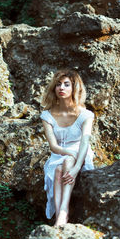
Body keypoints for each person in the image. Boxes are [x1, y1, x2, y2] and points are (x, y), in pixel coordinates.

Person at [40, 69, 94, 226]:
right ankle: (60, 215)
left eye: (66, 84)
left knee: (68, 162)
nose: (61, 88)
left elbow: (85, 142)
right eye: (58, 84)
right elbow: (54, 146)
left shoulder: (85, 115)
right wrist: (68, 152)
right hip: (59, 153)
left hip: (81, 152)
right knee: (58, 169)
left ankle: (63, 213)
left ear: (74, 88)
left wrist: (77, 167)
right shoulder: (47, 115)